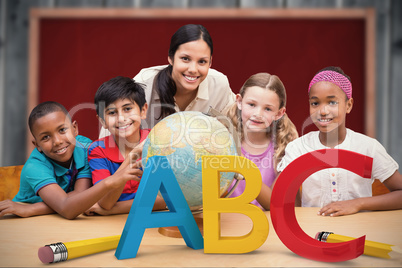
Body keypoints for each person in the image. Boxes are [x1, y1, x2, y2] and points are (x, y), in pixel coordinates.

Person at [277, 66, 402, 216]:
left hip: (360, 232)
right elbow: (289, 201)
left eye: (332, 102)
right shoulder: (298, 148)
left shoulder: (368, 147)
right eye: (315, 103)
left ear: (348, 105)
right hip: (312, 233)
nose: (323, 111)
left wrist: (358, 203)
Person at [0, 101, 140, 219]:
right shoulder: (35, 166)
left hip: (61, 218)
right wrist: (30, 210)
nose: (57, 141)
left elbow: (80, 196)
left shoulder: (85, 148)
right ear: (37, 146)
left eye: (62, 130)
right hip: (27, 221)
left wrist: (37, 208)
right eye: (45, 137)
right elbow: (67, 209)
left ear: (75, 128)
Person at [99, 24, 235, 137]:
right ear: (170, 58)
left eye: (202, 61)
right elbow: (110, 131)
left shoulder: (219, 84)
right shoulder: (144, 85)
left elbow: (236, 128)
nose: (193, 69)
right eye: (185, 59)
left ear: (210, 63)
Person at [86, 76, 166, 216]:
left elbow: (166, 199)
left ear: (143, 111)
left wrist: (114, 209)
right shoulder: (98, 150)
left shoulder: (157, 140)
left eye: (127, 109)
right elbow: (106, 202)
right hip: (107, 227)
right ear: (102, 121)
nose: (121, 119)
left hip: (154, 221)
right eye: (112, 113)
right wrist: (131, 157)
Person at [226, 73, 298, 210]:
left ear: (279, 113)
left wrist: (244, 167)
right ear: (239, 101)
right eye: (252, 104)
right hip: (227, 223)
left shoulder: (284, 146)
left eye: (268, 109)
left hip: (266, 226)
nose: (258, 114)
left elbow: (275, 203)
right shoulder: (223, 140)